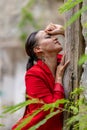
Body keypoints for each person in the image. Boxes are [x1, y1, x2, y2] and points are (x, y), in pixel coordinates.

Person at [12, 23, 70, 130]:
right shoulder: (33, 75)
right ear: (38, 49)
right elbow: (52, 109)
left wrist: (64, 31)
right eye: (48, 37)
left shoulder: (62, 61)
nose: (55, 38)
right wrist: (58, 79)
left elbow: (79, 50)